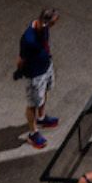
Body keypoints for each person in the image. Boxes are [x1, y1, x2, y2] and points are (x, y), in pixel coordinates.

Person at [17, 9, 60, 149]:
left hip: (46, 67)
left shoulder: (44, 28)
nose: (53, 26)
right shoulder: (28, 38)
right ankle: (33, 133)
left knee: (45, 92)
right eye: (52, 23)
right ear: (44, 21)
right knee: (32, 104)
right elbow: (21, 59)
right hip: (35, 75)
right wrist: (20, 71)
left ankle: (41, 118)